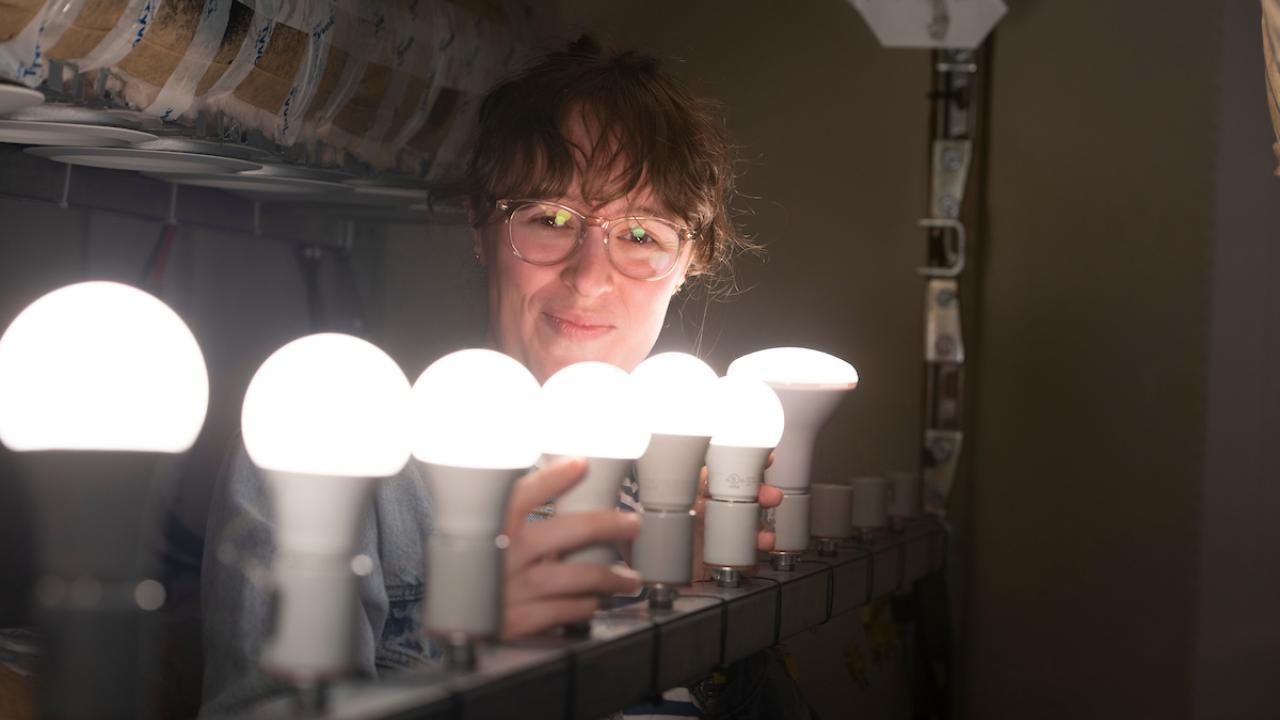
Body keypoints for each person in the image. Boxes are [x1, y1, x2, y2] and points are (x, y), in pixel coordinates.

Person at [200, 36, 795, 718]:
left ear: (690, 262)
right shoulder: (329, 446)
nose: (589, 278)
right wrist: (473, 659)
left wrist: (706, 620)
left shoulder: (701, 487)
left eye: (641, 236)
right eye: (551, 219)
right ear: (480, 225)